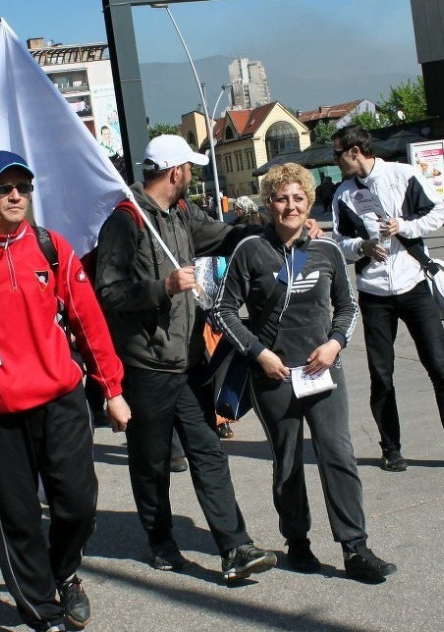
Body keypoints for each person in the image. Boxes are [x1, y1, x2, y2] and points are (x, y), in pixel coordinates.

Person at [0, 150, 131, 632]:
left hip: (61, 400)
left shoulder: (51, 247)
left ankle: (66, 570)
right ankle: (43, 612)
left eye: (23, 188)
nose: (16, 196)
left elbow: (89, 323)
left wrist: (112, 388)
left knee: (77, 502)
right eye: (3, 189)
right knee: (19, 520)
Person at [94, 135, 277, 583]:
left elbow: (229, 235)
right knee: (151, 461)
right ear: (175, 172)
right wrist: (163, 287)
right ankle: (160, 540)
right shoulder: (125, 221)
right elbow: (108, 292)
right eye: (190, 170)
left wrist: (280, 229)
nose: (192, 176)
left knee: (209, 452)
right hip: (147, 366)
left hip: (190, 360)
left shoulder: (181, 213)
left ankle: (236, 547)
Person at [212, 162, 396, 582]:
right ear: (268, 203)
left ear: (309, 202)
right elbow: (224, 311)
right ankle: (298, 542)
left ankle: (355, 547)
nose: (290, 206)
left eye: (298, 198)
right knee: (289, 459)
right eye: (281, 198)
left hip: (322, 370)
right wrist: (259, 354)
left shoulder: (326, 249)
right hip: (273, 374)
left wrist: (334, 344)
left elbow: (347, 308)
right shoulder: (250, 251)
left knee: (337, 452)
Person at [330, 125, 444, 473]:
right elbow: (338, 242)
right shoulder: (343, 194)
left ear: (356, 151)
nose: (336, 161)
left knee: (440, 366)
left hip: (414, 285)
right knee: (381, 375)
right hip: (374, 294)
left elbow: (436, 214)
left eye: (337, 154)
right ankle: (391, 448)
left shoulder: (403, 175)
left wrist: (403, 226)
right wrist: (362, 247)